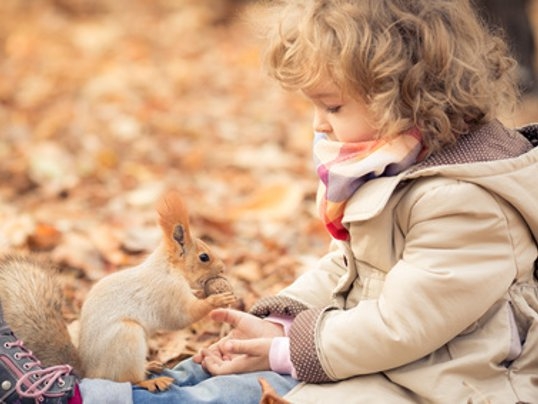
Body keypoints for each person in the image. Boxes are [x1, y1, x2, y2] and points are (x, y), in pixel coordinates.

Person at [2, 0, 538, 403]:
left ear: (405, 97)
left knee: (241, 395)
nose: (317, 123)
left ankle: (75, 399)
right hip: (386, 359)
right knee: (216, 373)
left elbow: (404, 324)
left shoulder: (464, 202)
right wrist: (280, 321)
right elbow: (350, 267)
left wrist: (290, 348)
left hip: (444, 384)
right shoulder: (403, 166)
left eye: (331, 105)